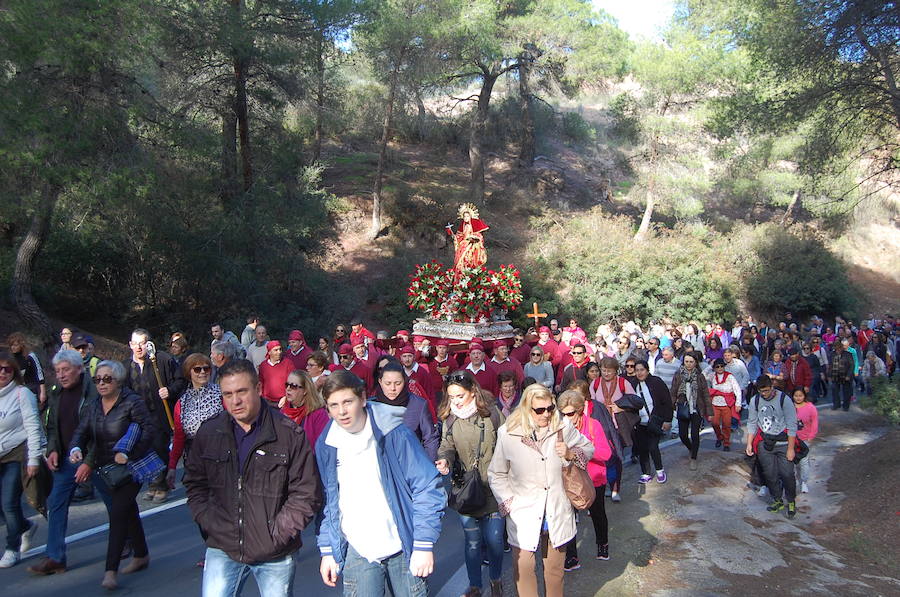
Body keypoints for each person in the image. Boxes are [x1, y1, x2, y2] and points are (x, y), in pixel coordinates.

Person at [183, 359, 321, 597]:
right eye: (227, 394)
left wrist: (278, 533)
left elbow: (306, 492)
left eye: (241, 392)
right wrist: (209, 523)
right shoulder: (209, 432)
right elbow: (195, 483)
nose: (235, 401)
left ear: (257, 389)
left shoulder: (288, 434)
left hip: (274, 551)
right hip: (222, 546)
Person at [316, 370, 446, 596]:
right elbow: (329, 500)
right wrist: (328, 549)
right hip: (358, 550)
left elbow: (426, 486)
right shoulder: (327, 444)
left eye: (348, 402)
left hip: (401, 544)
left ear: (363, 399)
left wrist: (423, 543)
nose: (342, 411)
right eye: (334, 405)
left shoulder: (395, 434)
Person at [488, 384, 594, 597]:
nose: (546, 414)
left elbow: (588, 448)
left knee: (555, 573)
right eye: (540, 410)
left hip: (556, 510)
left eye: (550, 408)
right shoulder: (508, 433)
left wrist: (571, 453)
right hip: (523, 513)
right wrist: (509, 503)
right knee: (524, 572)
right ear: (527, 408)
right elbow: (496, 473)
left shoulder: (562, 426)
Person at [69, 360, 164, 589]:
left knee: (119, 513)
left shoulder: (132, 402)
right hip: (106, 469)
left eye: (107, 378)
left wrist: (130, 454)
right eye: (98, 379)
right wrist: (76, 449)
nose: (101, 383)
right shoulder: (93, 406)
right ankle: (141, 555)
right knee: (128, 510)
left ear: (118, 380)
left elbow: (149, 430)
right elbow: (82, 432)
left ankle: (110, 570)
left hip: (132, 468)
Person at [28, 350, 103, 575]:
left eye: (66, 370)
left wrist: (89, 461)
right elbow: (52, 426)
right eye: (58, 371)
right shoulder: (56, 392)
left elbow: (99, 429)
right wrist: (52, 450)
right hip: (66, 458)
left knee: (115, 502)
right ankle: (55, 557)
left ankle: (128, 540)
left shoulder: (93, 390)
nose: (60, 375)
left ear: (79, 369)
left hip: (94, 458)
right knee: (56, 503)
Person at [435, 372, 505, 597]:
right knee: (473, 542)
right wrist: (445, 458)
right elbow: (446, 443)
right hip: (465, 488)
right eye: (452, 396)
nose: (455, 401)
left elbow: (508, 442)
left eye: (460, 396)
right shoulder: (450, 418)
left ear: (472, 392)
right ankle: (475, 584)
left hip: (493, 488)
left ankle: (495, 580)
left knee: (494, 541)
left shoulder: (491, 413)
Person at [122, 328, 186, 504]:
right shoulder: (127, 366)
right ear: (130, 345)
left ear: (148, 344)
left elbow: (180, 380)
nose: (138, 347)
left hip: (160, 414)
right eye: (135, 343)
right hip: (139, 417)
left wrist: (169, 391)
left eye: (142, 343)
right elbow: (123, 391)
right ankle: (152, 484)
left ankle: (162, 485)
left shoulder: (162, 360)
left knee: (160, 448)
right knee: (145, 450)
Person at [557, 390, 612, 567]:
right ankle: (572, 556)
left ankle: (602, 543)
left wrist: (581, 452)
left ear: (580, 410)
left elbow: (606, 453)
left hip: (593, 478)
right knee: (569, 516)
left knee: (597, 514)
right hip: (571, 479)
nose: (567, 418)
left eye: (571, 413)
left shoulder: (593, 425)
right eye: (563, 414)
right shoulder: (560, 429)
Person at [0, 352, 43, 569]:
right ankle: (25, 526)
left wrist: (34, 458)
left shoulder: (21, 393)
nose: (3, 373)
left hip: (17, 454)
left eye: (7, 369)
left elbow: (33, 426)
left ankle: (11, 548)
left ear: (14, 372)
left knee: (9, 502)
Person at [165, 354, 223, 491]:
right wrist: (172, 466)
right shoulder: (182, 403)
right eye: (197, 369)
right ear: (189, 372)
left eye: (206, 368)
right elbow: (179, 437)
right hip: (194, 460)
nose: (202, 372)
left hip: (220, 457)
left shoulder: (221, 393)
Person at [745, 375, 798, 519]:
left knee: (787, 473)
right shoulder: (754, 401)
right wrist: (749, 443)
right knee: (770, 474)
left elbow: (792, 425)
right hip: (765, 442)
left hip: (783, 442)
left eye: (767, 391)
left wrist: (791, 449)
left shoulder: (784, 399)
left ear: (772, 387)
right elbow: (752, 422)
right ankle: (777, 499)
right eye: (761, 391)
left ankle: (791, 500)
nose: (764, 394)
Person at [370, 362, 439, 460]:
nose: (392, 388)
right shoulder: (372, 406)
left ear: (405, 381)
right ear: (380, 382)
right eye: (388, 383)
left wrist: (429, 468)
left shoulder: (418, 405)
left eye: (398, 383)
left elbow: (430, 439)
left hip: (412, 464)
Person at [631, 359, 673, 484]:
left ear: (647, 370)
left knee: (653, 447)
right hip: (640, 423)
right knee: (642, 448)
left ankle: (660, 470)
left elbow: (666, 402)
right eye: (637, 370)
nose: (639, 373)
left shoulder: (656, 382)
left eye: (642, 370)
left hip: (654, 421)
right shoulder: (633, 384)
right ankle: (646, 473)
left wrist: (667, 420)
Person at [670, 351, 712, 469]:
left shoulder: (699, 376)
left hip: (696, 408)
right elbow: (673, 391)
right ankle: (691, 448)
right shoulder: (678, 375)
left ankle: (694, 457)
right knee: (683, 435)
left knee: (695, 434)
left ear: (695, 363)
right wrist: (671, 406)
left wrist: (709, 412)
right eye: (686, 362)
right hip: (683, 407)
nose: (688, 364)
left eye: (691, 362)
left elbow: (705, 393)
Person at [281, 369, 330, 447]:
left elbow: (323, 446)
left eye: (293, 386)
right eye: (287, 385)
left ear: (305, 390)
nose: (288, 389)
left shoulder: (318, 414)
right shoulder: (283, 411)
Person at [708, 358, 742, 451]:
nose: (720, 368)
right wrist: (709, 366)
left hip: (727, 404)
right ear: (714, 368)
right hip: (715, 403)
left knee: (727, 424)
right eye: (717, 367)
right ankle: (719, 437)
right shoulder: (712, 376)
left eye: (722, 366)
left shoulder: (730, 377)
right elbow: (702, 375)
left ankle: (726, 442)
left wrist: (738, 403)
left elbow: (737, 389)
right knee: (714, 423)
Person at [6, 332, 46, 407]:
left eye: (15, 345)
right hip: (17, 390)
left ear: (21, 345)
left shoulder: (31, 356)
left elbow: (39, 374)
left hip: (32, 388)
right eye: (11, 345)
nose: (13, 348)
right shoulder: (11, 358)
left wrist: (42, 392)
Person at [447, 203, 489, 275]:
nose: (466, 218)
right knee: (460, 260)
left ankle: (469, 274)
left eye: (467, 216)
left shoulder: (474, 225)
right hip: (463, 245)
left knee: (469, 259)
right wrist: (454, 236)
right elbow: (459, 236)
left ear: (470, 216)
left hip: (471, 245)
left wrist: (474, 238)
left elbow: (479, 236)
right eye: (464, 216)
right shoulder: (463, 226)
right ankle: (461, 275)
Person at [792, 388, 818, 494]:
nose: (798, 398)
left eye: (800, 395)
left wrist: (811, 436)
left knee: (804, 462)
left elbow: (815, 422)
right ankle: (792, 482)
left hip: (804, 439)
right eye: (796, 396)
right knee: (791, 462)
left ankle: (804, 482)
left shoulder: (810, 407)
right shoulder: (789, 407)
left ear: (804, 396)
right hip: (791, 439)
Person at [258, 340, 293, 407]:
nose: (279, 352)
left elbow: (293, 382)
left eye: (280, 349)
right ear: (269, 352)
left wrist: (286, 397)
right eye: (276, 350)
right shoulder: (263, 365)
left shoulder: (288, 363)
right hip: (267, 401)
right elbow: (261, 383)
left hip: (284, 401)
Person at [829, 339, 855, 411]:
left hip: (845, 375)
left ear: (841, 348)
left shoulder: (848, 354)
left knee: (846, 392)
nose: (838, 350)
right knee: (835, 390)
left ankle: (846, 406)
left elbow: (851, 365)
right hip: (835, 375)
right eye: (836, 348)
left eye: (839, 348)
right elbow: (830, 365)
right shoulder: (832, 354)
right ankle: (836, 404)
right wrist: (829, 375)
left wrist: (848, 376)